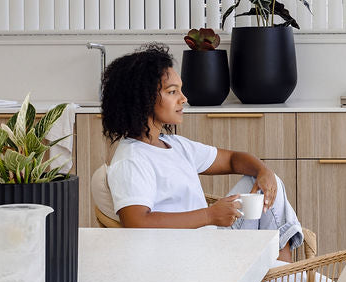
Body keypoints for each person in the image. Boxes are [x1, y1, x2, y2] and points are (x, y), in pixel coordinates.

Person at [100, 43, 302, 263]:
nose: (183, 99)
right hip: (193, 260)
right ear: (143, 98)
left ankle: (281, 271)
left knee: (269, 181)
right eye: (172, 92)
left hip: (211, 242)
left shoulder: (175, 145)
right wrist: (210, 215)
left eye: (180, 90)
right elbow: (137, 223)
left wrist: (263, 171)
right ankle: (282, 278)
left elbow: (234, 160)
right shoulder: (131, 160)